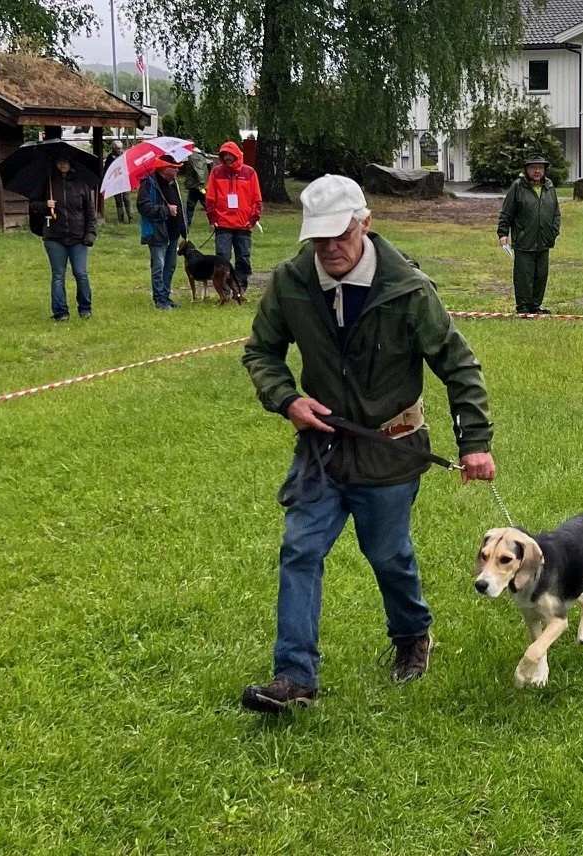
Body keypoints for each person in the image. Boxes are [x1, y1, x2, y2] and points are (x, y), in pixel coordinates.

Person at [239, 174, 496, 713]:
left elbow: (459, 365)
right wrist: (288, 400)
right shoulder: (290, 283)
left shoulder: (408, 289)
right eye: (319, 238)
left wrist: (474, 442)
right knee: (300, 549)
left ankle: (411, 636)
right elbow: (261, 352)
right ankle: (295, 677)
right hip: (323, 451)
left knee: (386, 553)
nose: (330, 248)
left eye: (341, 234)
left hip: (391, 448)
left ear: (365, 224)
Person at [31, 157, 96, 321]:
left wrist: (90, 233)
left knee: (81, 273)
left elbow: (90, 212)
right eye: (59, 162)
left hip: (78, 237)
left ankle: (85, 308)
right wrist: (46, 205)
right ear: (55, 164)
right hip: (54, 236)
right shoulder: (48, 183)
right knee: (58, 275)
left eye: (66, 162)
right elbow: (33, 206)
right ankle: (60, 312)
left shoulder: (82, 185)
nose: (63, 165)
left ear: (72, 163)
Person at [497, 153, 561, 314]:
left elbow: (555, 212)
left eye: (540, 168)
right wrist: (503, 233)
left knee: (541, 275)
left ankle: (536, 306)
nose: (537, 171)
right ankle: (523, 308)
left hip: (544, 240)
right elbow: (507, 212)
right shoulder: (518, 186)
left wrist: (554, 231)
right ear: (527, 170)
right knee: (524, 276)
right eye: (533, 168)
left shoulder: (549, 187)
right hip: (524, 240)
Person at [205, 141, 263, 290]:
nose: (227, 157)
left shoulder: (249, 173)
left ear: (237, 155)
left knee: (243, 258)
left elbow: (257, 199)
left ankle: (240, 287)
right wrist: (212, 218)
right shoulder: (216, 173)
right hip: (223, 224)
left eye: (230, 154)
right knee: (222, 258)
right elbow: (210, 197)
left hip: (243, 224)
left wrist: (253, 219)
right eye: (224, 155)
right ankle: (224, 289)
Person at [137, 154, 187, 310]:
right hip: (158, 233)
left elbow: (179, 206)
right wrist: (165, 210)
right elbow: (143, 206)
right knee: (159, 265)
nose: (177, 170)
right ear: (165, 169)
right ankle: (159, 299)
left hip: (173, 233)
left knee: (170, 266)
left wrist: (183, 227)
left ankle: (165, 296)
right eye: (174, 168)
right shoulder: (149, 184)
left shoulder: (174, 184)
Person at [104, 141, 132, 224]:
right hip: (115, 180)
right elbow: (107, 169)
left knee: (126, 198)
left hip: (124, 179)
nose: (119, 150)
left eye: (120, 148)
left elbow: (129, 165)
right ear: (114, 148)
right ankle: (121, 217)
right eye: (117, 149)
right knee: (118, 200)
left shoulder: (125, 156)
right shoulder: (110, 157)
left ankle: (130, 216)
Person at [182, 146, 210, 228]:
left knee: (191, 206)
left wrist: (201, 184)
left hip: (197, 187)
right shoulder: (200, 155)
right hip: (201, 187)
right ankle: (215, 220)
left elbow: (200, 171)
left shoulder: (193, 156)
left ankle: (187, 224)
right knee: (206, 203)